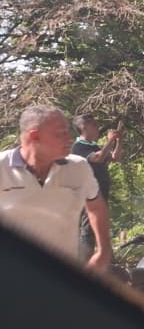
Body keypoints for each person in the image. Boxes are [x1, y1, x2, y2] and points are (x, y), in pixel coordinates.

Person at [0, 105, 113, 270]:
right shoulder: (2, 167)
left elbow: (95, 205)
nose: (69, 139)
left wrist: (103, 250)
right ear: (35, 136)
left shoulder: (78, 167)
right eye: (61, 134)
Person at [71, 113, 123, 260]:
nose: (97, 127)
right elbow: (98, 158)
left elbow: (115, 157)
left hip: (100, 195)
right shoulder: (79, 147)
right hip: (89, 197)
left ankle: (108, 263)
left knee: (101, 229)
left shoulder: (94, 146)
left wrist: (118, 141)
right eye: (94, 125)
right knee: (88, 231)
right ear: (83, 127)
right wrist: (110, 140)